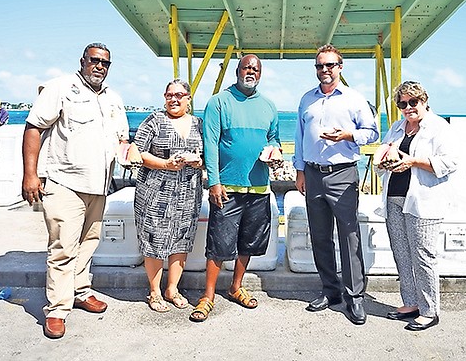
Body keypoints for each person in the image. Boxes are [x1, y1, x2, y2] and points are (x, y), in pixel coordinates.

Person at [21, 43, 129, 339]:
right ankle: (57, 309)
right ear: (82, 61)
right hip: (64, 183)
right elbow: (33, 128)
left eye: (105, 63)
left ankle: (80, 292)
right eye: (94, 60)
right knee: (63, 248)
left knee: (88, 243)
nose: (99, 66)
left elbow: (122, 141)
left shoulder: (114, 99)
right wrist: (30, 175)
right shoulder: (60, 88)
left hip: (99, 186)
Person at [190, 54, 281, 322]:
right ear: (237, 71)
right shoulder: (219, 102)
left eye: (255, 68)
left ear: (260, 74)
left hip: (259, 187)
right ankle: (207, 296)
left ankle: (235, 287)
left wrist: (275, 152)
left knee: (248, 243)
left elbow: (273, 137)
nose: (250, 71)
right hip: (226, 187)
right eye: (246, 67)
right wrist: (214, 182)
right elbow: (211, 143)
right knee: (219, 244)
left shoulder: (269, 106)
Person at [293, 44, 379, 325]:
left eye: (330, 65)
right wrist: (300, 170)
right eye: (320, 66)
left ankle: (355, 297)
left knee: (349, 237)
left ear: (340, 67)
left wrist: (347, 135)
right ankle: (330, 292)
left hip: (343, 174)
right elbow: (299, 136)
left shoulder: (355, 99)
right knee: (320, 236)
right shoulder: (307, 99)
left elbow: (372, 132)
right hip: (314, 175)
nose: (325, 70)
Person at [374, 80, 457, 331]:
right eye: (403, 103)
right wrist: (384, 162)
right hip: (394, 198)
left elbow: (449, 162)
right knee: (401, 253)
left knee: (423, 256)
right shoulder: (398, 127)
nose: (408, 107)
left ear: (424, 101)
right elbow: (385, 152)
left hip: (423, 201)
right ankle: (410, 302)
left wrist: (414, 162)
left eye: (413, 102)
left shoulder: (439, 127)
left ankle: (430, 311)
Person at [133, 79, 204, 312]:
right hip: (155, 191)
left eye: (179, 95)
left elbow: (205, 155)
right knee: (154, 239)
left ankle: (172, 288)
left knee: (181, 238)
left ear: (188, 99)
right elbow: (138, 150)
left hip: (188, 191)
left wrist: (198, 161)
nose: (174, 99)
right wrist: (165, 163)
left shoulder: (198, 124)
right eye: (169, 95)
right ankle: (154, 292)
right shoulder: (154, 120)